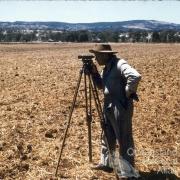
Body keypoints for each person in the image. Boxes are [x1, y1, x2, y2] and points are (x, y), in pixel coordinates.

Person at [89, 44, 141, 179]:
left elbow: (135, 76)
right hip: (108, 105)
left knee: (124, 139)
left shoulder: (119, 64)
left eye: (97, 55)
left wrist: (127, 93)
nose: (96, 58)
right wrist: (94, 74)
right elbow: (102, 86)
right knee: (107, 136)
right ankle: (106, 163)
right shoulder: (106, 69)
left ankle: (128, 172)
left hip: (120, 106)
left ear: (106, 55)